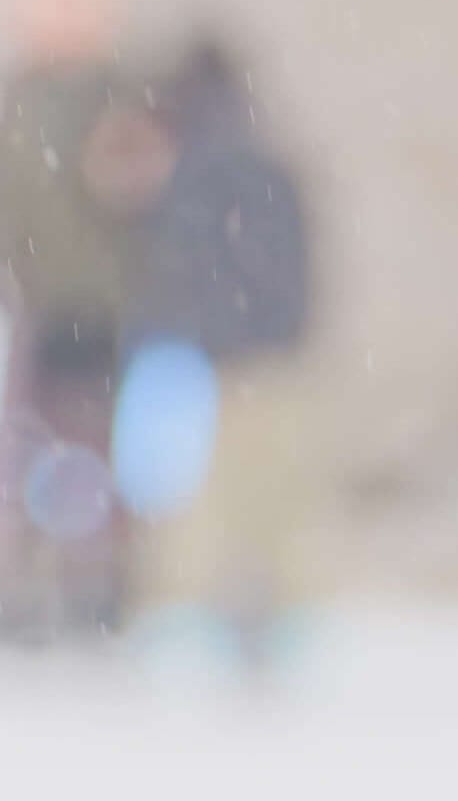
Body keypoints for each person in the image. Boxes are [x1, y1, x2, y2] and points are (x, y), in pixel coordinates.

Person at [0, 0, 161, 641]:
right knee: (19, 452)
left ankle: (95, 586)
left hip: (100, 306)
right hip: (34, 304)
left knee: (93, 449)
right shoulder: (20, 96)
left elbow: (140, 194)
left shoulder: (123, 96)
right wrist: (1, 270)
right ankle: (14, 586)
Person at [129, 35, 318, 665]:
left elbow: (175, 263)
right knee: (273, 499)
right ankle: (280, 620)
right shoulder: (266, 156)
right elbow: (291, 261)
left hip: (201, 357)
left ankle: (187, 624)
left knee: (192, 503)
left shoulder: (186, 164)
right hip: (263, 353)